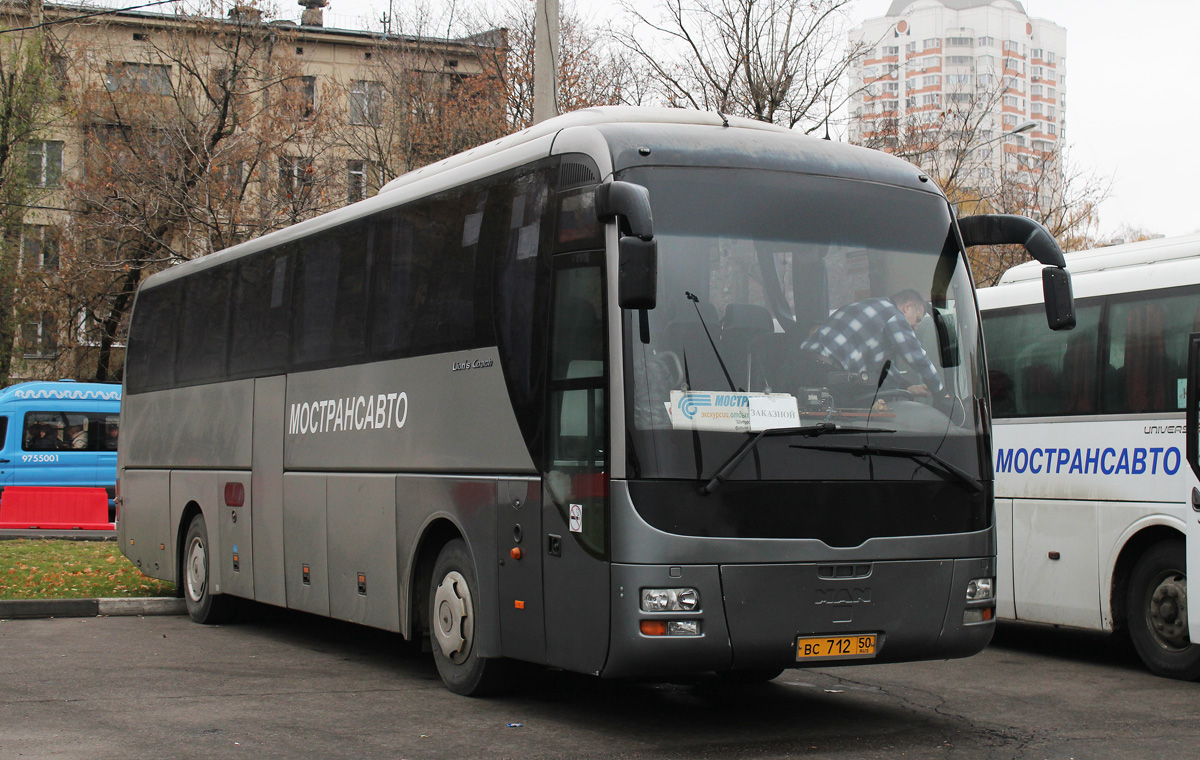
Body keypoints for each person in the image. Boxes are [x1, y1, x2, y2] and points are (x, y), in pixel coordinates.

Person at [799, 289, 944, 397]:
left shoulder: (873, 306)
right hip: (827, 374)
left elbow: (881, 365)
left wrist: (906, 386)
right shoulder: (894, 314)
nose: (916, 327)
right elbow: (916, 356)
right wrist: (941, 393)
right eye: (917, 319)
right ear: (908, 307)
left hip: (801, 366)